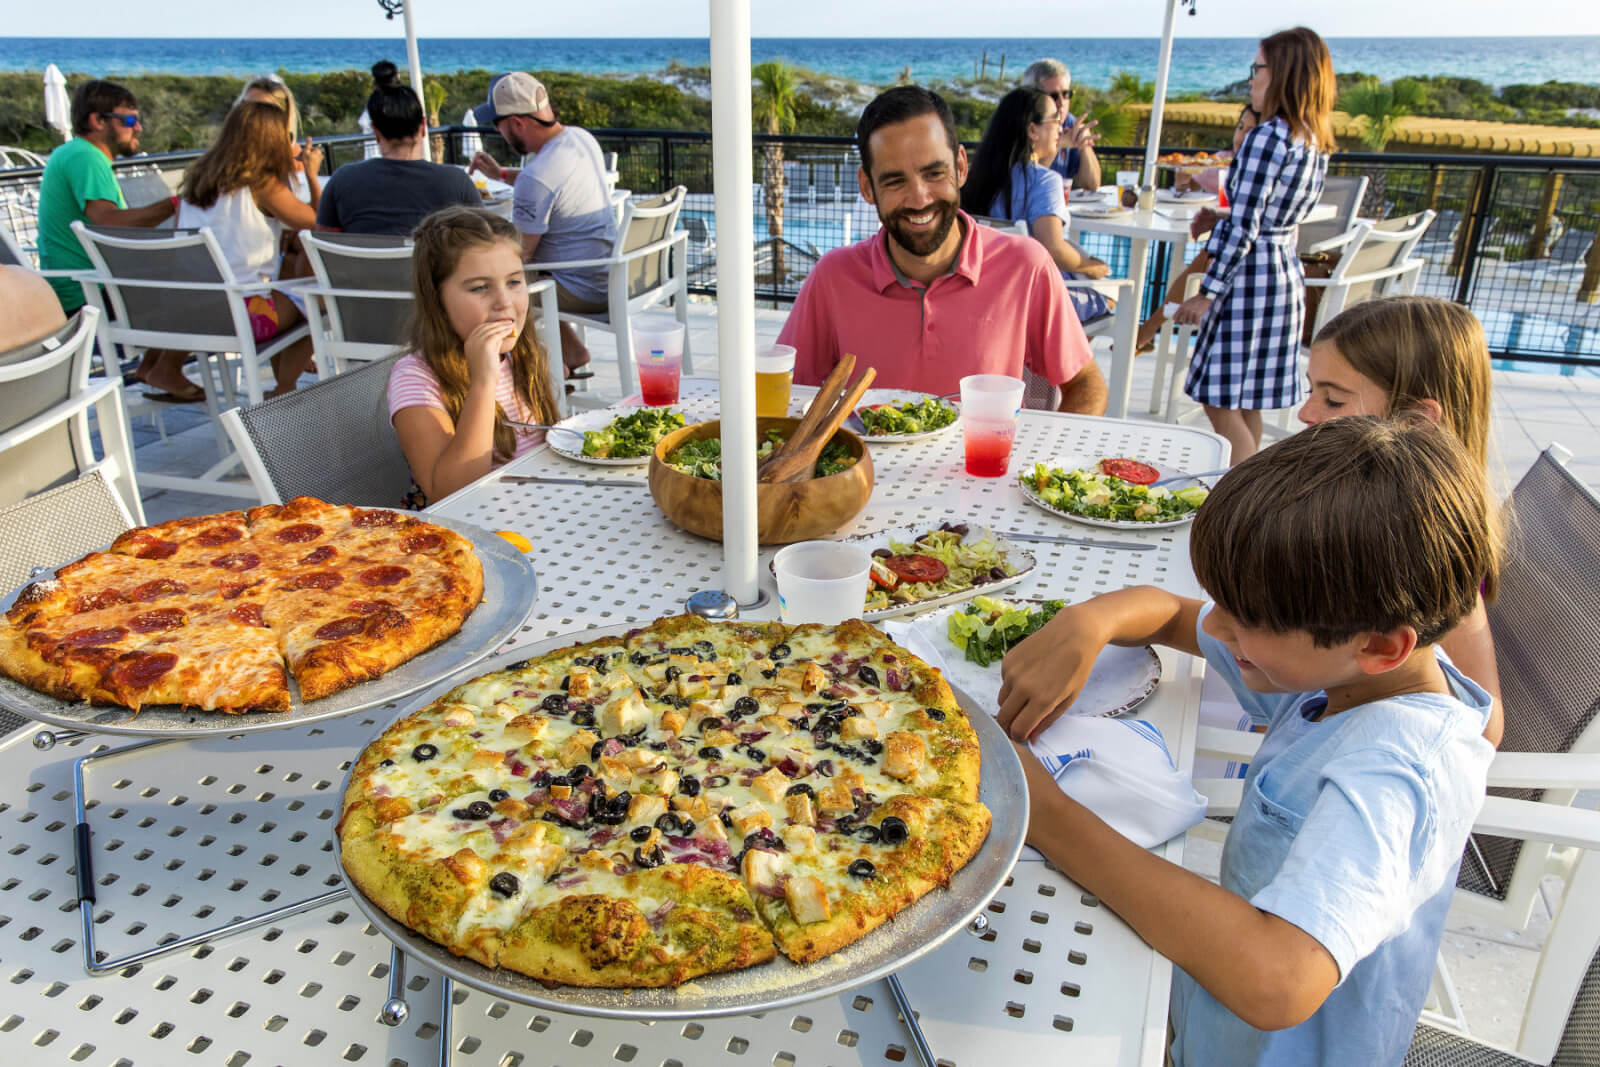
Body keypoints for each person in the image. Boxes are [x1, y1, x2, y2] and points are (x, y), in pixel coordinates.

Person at [1000, 415, 1499, 1064]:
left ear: (1380, 644)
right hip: (1212, 1021)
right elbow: (1175, 614)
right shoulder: (1348, 667)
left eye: (1245, 620)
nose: (1219, 627)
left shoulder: (1397, 771)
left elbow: (1277, 980)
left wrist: (1048, 816)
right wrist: (1091, 622)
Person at [778, 86, 1105, 415]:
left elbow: (1085, 385)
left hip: (986, 465)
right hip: (867, 466)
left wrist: (1043, 463)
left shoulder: (1026, 265)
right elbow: (785, 394)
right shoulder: (833, 276)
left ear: (961, 167)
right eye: (894, 181)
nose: (919, 198)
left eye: (934, 173)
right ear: (867, 187)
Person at [1301, 295, 1502, 740]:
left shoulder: (1428, 547)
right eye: (1310, 389)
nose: (1306, 414)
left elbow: (1486, 728)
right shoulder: (1362, 503)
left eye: (1332, 400)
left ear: (1415, 421)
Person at [1173, 27, 1335, 462]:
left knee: (1217, 397)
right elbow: (1270, 214)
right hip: (1280, 271)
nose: (1251, 79)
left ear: (1281, 71)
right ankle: (1251, 497)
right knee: (1246, 400)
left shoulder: (1269, 136)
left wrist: (1208, 294)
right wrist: (1220, 215)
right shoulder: (1311, 138)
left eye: (1257, 68)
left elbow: (1248, 224)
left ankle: (1243, 497)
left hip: (1248, 280)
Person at [35, 79, 195, 399]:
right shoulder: (87, 157)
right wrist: (178, 203)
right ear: (98, 121)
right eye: (130, 120)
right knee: (202, 286)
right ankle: (163, 369)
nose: (138, 129)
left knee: (189, 277)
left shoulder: (72, 153)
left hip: (81, 286)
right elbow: (107, 222)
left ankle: (156, 368)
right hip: (89, 294)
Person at [389, 206, 560, 504]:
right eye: (480, 287)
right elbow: (450, 494)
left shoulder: (521, 353)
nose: (504, 302)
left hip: (536, 507)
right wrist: (483, 383)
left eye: (514, 282)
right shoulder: (415, 377)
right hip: (461, 535)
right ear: (437, 300)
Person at [466, 71, 615, 379]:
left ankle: (540, 375)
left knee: (487, 287)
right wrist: (503, 176)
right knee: (526, 275)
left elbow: (519, 257)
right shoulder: (578, 138)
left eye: (497, 124)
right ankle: (571, 351)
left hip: (578, 289)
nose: (498, 132)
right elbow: (552, 184)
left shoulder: (537, 175)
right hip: (603, 274)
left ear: (517, 123)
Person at [176, 101, 320, 395]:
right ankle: (284, 388)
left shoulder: (196, 184)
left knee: (290, 290)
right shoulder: (261, 184)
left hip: (195, 312)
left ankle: (284, 386)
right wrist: (311, 176)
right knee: (318, 300)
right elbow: (319, 223)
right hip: (242, 316)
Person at [962, 87, 1114, 327]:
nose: (1062, 127)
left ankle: (1037, 363)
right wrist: (1090, 267)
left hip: (991, 297)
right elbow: (1052, 247)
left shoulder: (980, 179)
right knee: (1110, 298)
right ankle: (1056, 363)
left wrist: (1054, 144)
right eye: (1055, 120)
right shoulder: (1045, 181)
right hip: (1036, 301)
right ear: (1032, 129)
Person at [1134, 104, 1259, 353]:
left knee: (1203, 259)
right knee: (1202, 258)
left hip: (1245, 267)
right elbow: (1191, 181)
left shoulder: (1253, 172)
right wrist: (1183, 184)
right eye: (1240, 127)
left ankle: (1145, 330)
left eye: (1250, 131)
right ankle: (1147, 330)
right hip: (1223, 253)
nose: (1241, 136)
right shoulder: (1225, 163)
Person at [316, 61, 480, 237]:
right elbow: (484, 245)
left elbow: (326, 242)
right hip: (432, 265)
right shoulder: (457, 183)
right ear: (423, 126)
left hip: (363, 265)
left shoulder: (342, 181)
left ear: (376, 133)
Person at [1021, 59, 1101, 193]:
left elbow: (1092, 185)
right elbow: (1025, 185)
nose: (1062, 102)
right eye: (1053, 96)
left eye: (1066, 94)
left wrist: (1083, 145)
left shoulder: (1070, 123)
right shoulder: (1020, 125)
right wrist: (1058, 144)